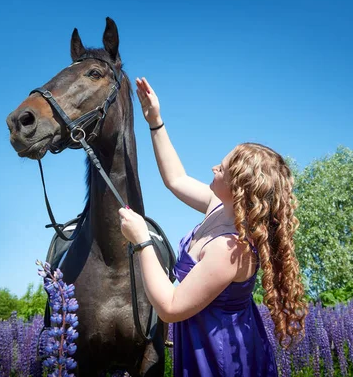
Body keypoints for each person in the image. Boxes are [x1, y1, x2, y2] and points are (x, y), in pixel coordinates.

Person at [118, 77, 308, 377]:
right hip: (200, 344)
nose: (213, 169)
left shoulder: (231, 248)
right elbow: (175, 179)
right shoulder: (218, 207)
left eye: (221, 168)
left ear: (238, 187)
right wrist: (156, 121)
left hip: (222, 357)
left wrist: (142, 240)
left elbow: (169, 306)